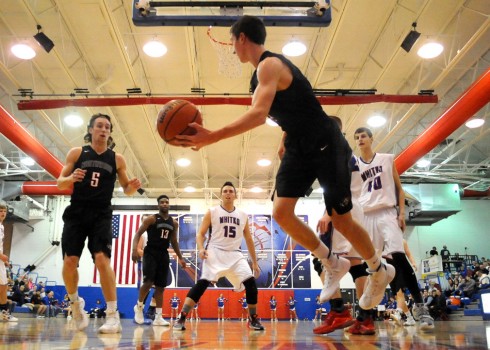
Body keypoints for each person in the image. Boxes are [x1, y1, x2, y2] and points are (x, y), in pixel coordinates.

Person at [174, 15, 394, 312]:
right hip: (298, 146)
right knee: (281, 213)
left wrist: (213, 136)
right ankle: (332, 261)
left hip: (326, 142)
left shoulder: (270, 65)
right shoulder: (258, 76)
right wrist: (285, 139)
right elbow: (291, 109)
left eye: (232, 41)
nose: (232, 49)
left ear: (242, 38)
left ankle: (379, 269)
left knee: (342, 219)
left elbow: (258, 115)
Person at [57, 113, 142, 333]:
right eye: (100, 126)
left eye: (107, 127)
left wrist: (132, 186)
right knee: (69, 261)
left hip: (101, 213)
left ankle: (112, 315)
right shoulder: (77, 153)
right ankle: (76, 304)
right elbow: (59, 183)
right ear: (91, 129)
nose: (104, 130)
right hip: (76, 211)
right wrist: (71, 178)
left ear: (110, 132)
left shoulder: (117, 158)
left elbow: (127, 190)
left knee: (102, 259)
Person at [354, 127, 434, 331]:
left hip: (387, 212)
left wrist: (401, 214)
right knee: (370, 264)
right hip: (366, 215)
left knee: (399, 256)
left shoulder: (386, 159)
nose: (360, 139)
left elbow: (399, 188)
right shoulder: (353, 165)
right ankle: (366, 314)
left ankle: (420, 306)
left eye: (363, 136)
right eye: (356, 137)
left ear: (372, 139)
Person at [173, 182, 264, 331]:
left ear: (235, 195)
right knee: (202, 284)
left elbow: (248, 239)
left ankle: (253, 319)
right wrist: (201, 248)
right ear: (221, 194)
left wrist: (254, 263)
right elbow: (200, 234)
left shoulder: (242, 215)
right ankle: (182, 317)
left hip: (235, 254)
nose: (228, 193)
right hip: (215, 252)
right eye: (225, 191)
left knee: (251, 284)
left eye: (230, 191)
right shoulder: (212, 211)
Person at [131, 195, 186, 326]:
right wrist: (134, 250)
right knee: (148, 282)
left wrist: (181, 258)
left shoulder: (174, 223)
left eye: (167, 202)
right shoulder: (151, 219)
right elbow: (138, 234)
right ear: (158, 205)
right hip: (151, 252)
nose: (165, 204)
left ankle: (158, 317)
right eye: (162, 202)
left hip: (163, 254)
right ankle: (139, 307)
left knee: (161, 287)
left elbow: (174, 241)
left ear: (169, 204)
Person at [0, 202, 18, 322]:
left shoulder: (1, 226)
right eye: (0, 211)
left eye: (4, 211)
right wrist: (2, 256)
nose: (2, 213)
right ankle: (4, 312)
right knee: (3, 286)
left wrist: (4, 260)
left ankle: (3, 312)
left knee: (3, 286)